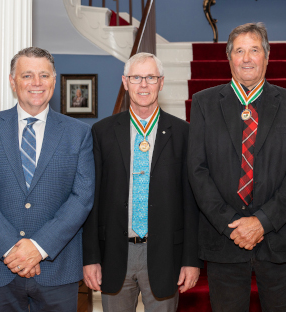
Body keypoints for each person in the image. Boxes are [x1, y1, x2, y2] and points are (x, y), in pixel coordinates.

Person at [0, 47, 95, 311]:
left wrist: (40, 247)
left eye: (44, 76)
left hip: (56, 269)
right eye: (27, 75)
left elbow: (82, 198)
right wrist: (12, 249)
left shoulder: (79, 134)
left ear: (54, 81)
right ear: (12, 81)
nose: (36, 83)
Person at [188, 22, 286, 311]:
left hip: (277, 240)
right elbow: (197, 170)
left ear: (267, 57)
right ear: (229, 58)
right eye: (239, 51)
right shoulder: (204, 103)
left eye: (254, 50)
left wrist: (261, 223)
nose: (246, 58)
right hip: (224, 239)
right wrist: (232, 225)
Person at [82, 52, 201, 311]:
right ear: (125, 82)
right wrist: (91, 257)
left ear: (161, 82)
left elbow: (191, 202)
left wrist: (191, 260)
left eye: (151, 77)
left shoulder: (184, 133)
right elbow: (91, 200)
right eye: (136, 77)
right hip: (114, 252)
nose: (143, 84)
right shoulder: (102, 132)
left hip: (165, 253)